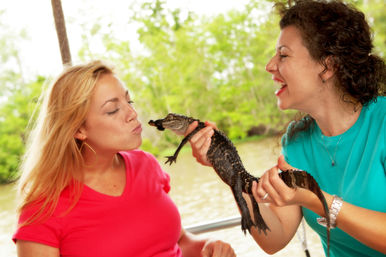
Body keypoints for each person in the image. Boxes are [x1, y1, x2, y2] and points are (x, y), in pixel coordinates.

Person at [185, 0, 386, 257]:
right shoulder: (297, 141)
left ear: (328, 66)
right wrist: (227, 167)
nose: (270, 65)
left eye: (283, 54)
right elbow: (274, 238)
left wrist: (317, 200)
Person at [13, 60, 236, 257]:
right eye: (112, 110)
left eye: (129, 102)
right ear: (78, 129)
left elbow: (179, 243)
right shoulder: (43, 207)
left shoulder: (146, 165)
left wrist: (207, 247)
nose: (132, 114)